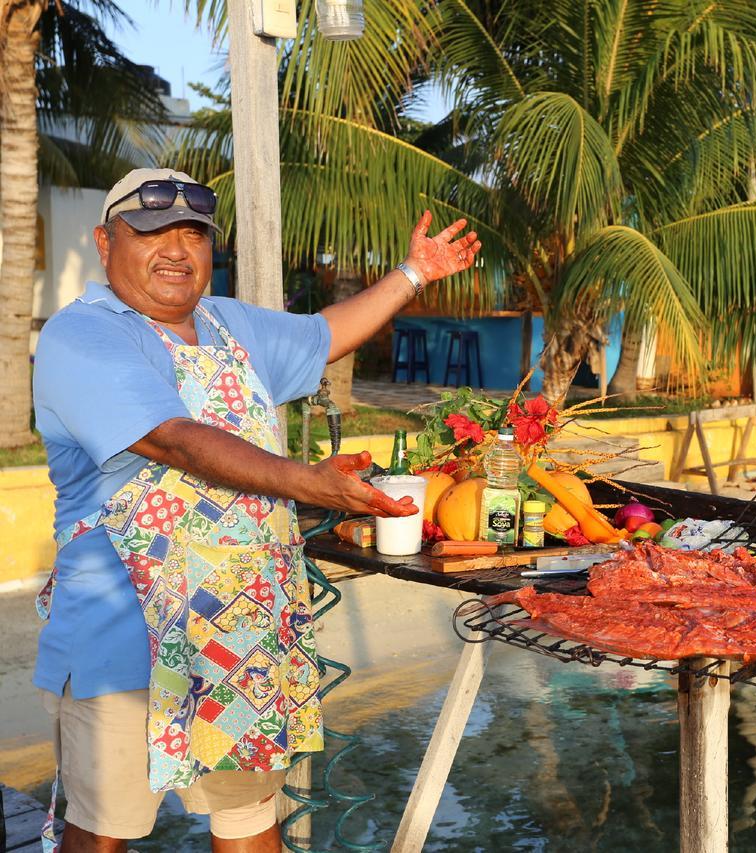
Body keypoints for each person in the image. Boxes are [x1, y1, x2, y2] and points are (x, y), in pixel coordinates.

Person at [31, 168, 481, 852]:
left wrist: (413, 273)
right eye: (153, 232)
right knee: (102, 834)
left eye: (194, 234)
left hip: (241, 643)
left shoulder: (230, 324)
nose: (177, 250)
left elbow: (323, 333)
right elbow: (174, 439)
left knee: (249, 827)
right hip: (119, 651)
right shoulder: (80, 336)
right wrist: (308, 482)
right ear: (104, 241)